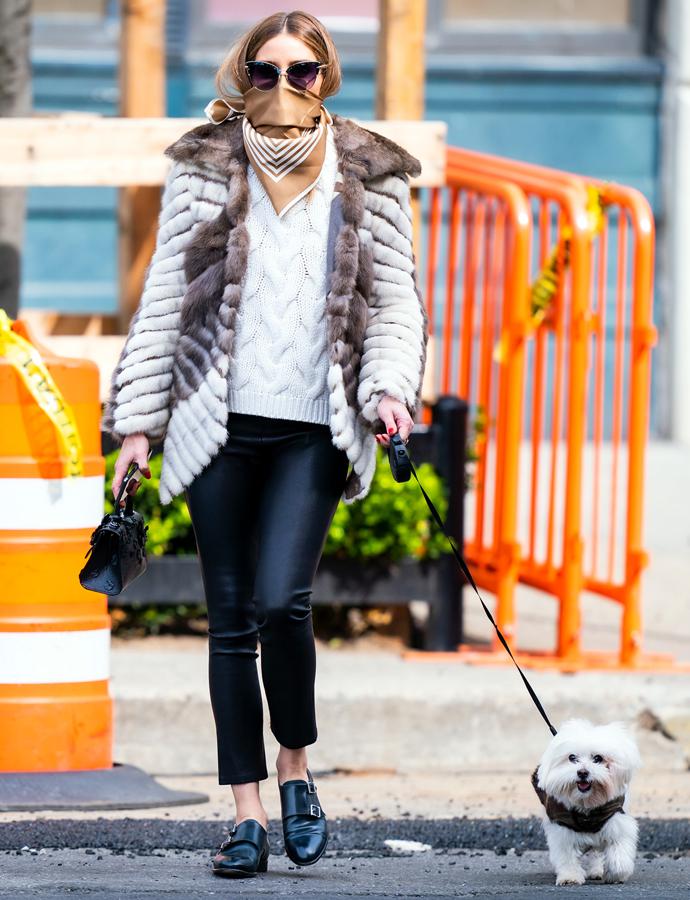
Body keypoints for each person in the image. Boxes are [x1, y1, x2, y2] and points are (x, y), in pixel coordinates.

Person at [101, 9, 428, 879]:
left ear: (327, 77)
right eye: (266, 72)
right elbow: (165, 295)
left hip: (316, 422)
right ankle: (244, 812)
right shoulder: (205, 166)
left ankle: (295, 765)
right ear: (243, 77)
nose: (284, 88)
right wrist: (138, 423)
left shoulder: (372, 171)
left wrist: (388, 387)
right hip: (217, 419)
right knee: (230, 623)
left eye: (302, 72)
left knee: (284, 602)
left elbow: (396, 302)